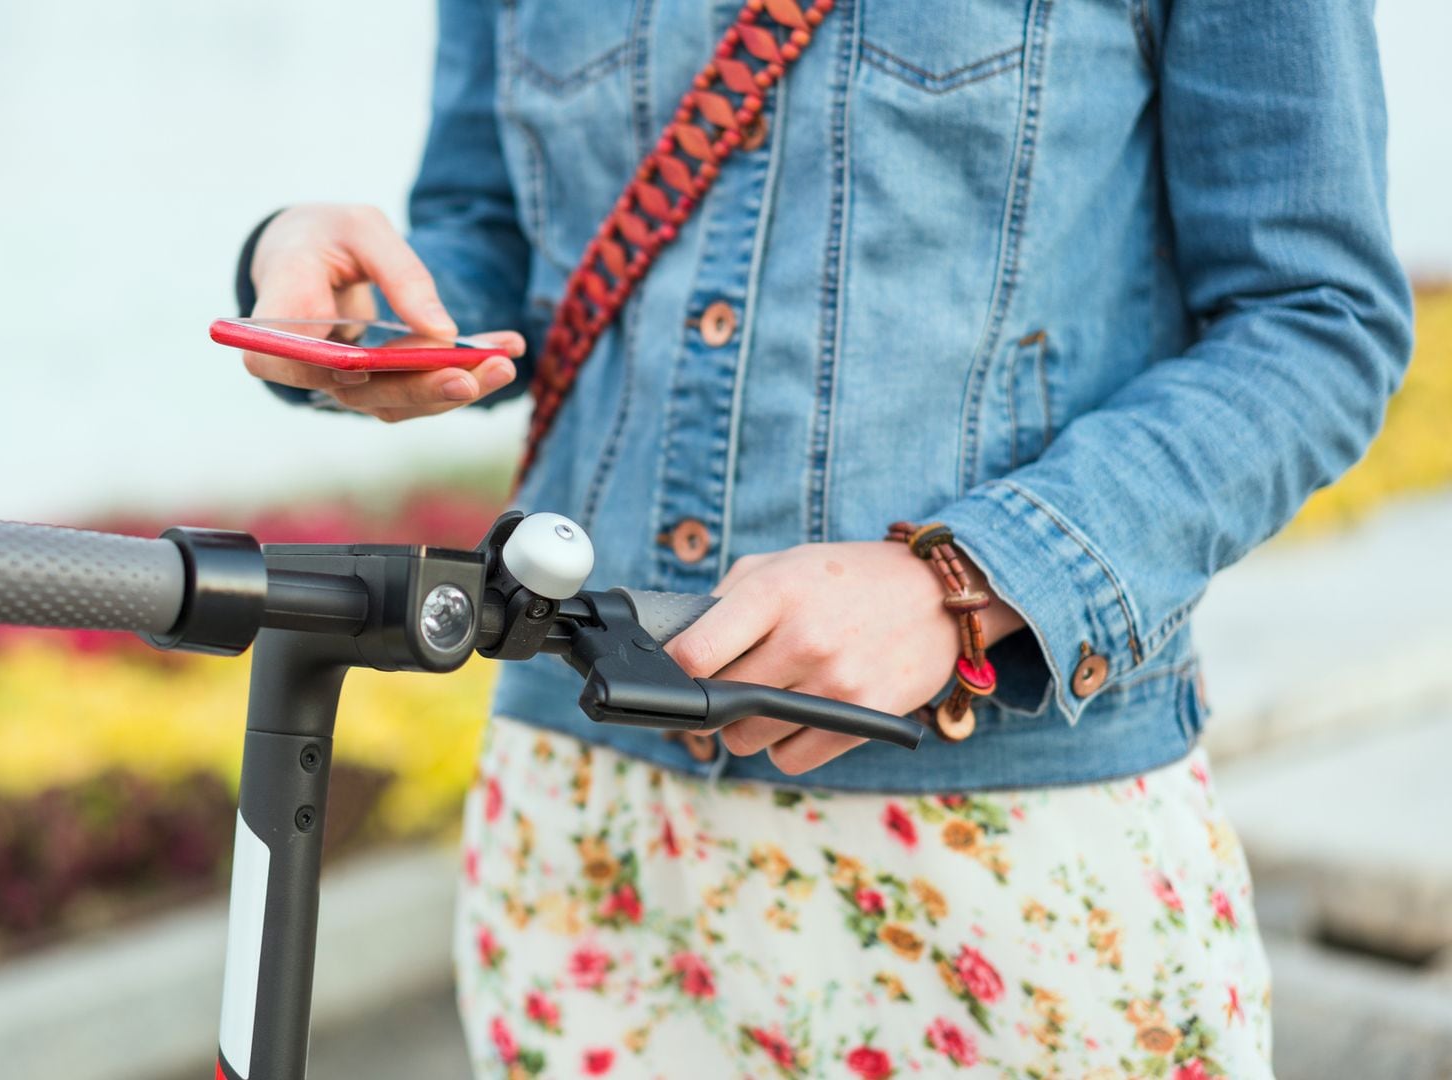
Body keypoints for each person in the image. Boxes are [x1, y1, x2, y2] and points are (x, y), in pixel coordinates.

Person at [236, 0, 1412, 1074]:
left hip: (1006, 855)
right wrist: (341, 300)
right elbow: (496, 245)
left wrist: (965, 580)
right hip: (588, 836)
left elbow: (1318, 318)